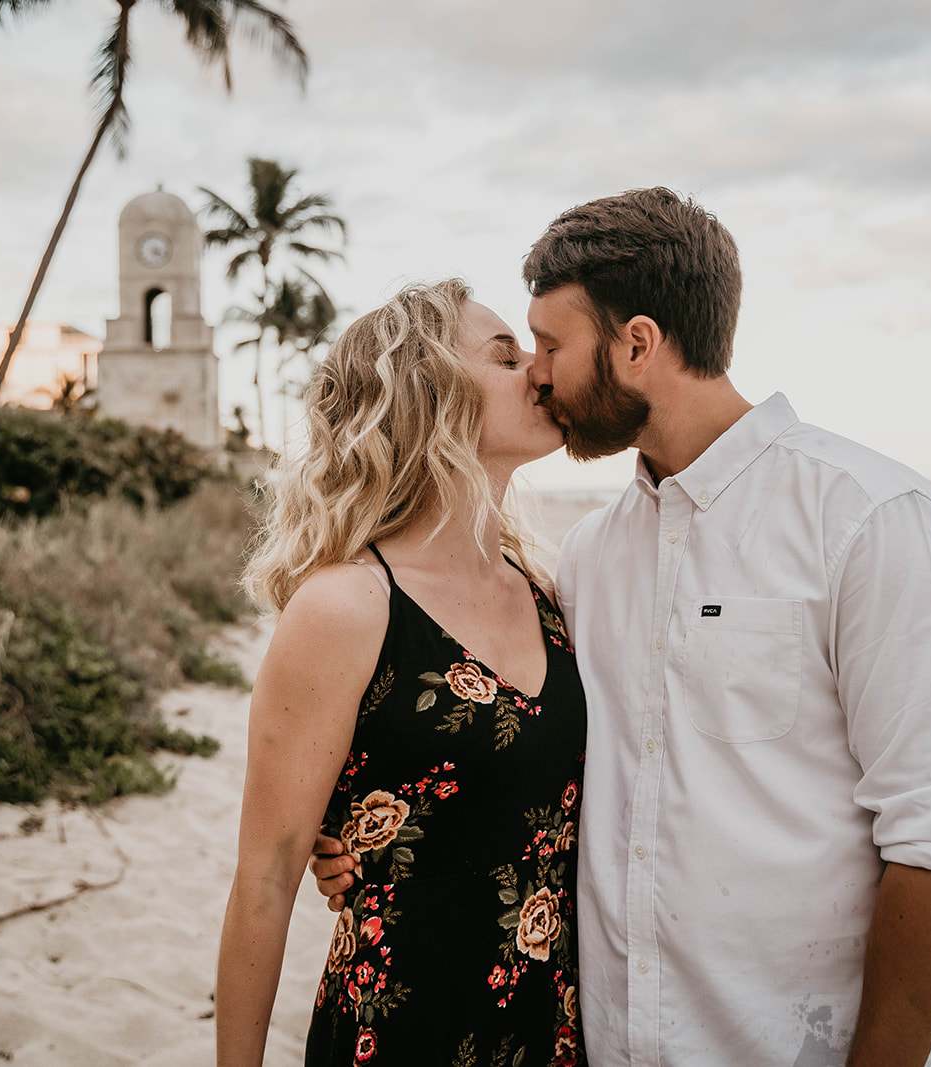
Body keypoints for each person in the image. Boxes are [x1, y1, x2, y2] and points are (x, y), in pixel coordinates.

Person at [313, 189, 931, 1066]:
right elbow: (520, 757)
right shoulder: (590, 557)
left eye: (554, 346)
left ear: (638, 344)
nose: (540, 373)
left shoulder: (872, 519)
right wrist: (352, 833)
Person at [217, 280, 587, 1066]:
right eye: (506, 354)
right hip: (398, 1035)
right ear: (428, 388)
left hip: (547, 1035)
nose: (540, 372)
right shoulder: (345, 607)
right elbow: (264, 878)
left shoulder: (552, 595)